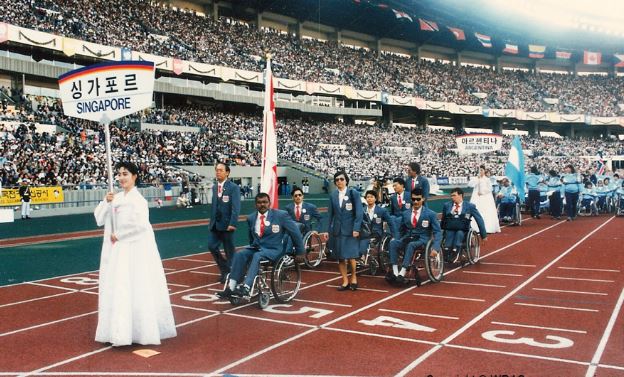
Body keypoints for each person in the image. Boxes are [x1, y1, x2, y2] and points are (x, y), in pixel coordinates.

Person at [93, 161, 176, 347]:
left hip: (133, 250)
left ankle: (139, 331)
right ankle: (118, 331)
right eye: (120, 174)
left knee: (135, 288)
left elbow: (141, 225)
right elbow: (99, 219)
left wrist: (119, 235)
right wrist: (106, 202)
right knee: (118, 289)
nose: (122, 178)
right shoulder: (115, 198)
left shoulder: (138, 200)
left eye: (126, 174)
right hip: (116, 250)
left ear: (134, 176)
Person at [218, 193, 305, 298]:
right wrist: (251, 249)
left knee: (257, 256)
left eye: (265, 202)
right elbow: (251, 237)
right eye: (259, 202)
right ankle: (231, 288)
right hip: (257, 248)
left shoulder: (281, 216)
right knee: (240, 254)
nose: (262, 205)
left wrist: (300, 251)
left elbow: (295, 232)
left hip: (274, 250)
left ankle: (246, 287)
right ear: (255, 204)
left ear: (269, 203)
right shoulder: (251, 218)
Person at [386, 188, 441, 285]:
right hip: (408, 238)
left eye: (418, 199)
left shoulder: (430, 214)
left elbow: (437, 232)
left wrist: (436, 248)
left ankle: (402, 273)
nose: (415, 201)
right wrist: (397, 238)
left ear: (423, 199)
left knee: (411, 245)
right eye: (413, 199)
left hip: (422, 240)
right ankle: (395, 272)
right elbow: (401, 230)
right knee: (393, 243)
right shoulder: (405, 213)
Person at [323, 171, 363, 291]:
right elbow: (330, 214)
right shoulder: (333, 195)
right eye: (337, 180)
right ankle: (345, 281)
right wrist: (326, 230)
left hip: (350, 230)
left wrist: (356, 228)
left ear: (346, 180)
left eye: (341, 179)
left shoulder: (353, 193)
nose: (339, 181)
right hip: (337, 230)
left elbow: (359, 212)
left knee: (351, 256)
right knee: (340, 257)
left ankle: (354, 277)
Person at [208, 163, 241, 283]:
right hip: (215, 225)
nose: (218, 172)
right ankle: (225, 269)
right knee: (211, 246)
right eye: (216, 170)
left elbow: (236, 207)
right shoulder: (214, 187)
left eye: (221, 170)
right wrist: (211, 222)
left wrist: (233, 223)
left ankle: (233, 275)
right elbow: (214, 206)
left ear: (227, 172)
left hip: (227, 225)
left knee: (229, 252)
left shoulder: (233, 187)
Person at [442, 187, 487, 263]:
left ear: (460, 195)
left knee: (459, 233)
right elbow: (444, 219)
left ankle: (455, 251)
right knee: (449, 234)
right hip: (451, 227)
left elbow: (479, 219)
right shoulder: (447, 205)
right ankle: (447, 250)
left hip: (463, 229)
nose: (452, 197)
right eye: (451, 196)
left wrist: (483, 235)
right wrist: (442, 230)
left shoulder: (470, 206)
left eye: (454, 195)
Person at [283, 187, 322, 253]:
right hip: (292, 232)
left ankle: (287, 253)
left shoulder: (310, 207)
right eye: (295, 196)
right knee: (287, 235)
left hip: (305, 232)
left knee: (293, 230)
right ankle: (283, 254)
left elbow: (321, 218)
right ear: (292, 197)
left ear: (303, 196)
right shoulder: (288, 208)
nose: (298, 197)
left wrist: (316, 230)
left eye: (300, 195)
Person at [359, 190, 392, 255]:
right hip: (365, 235)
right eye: (368, 197)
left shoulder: (382, 210)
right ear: (365, 199)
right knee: (361, 249)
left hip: (377, 234)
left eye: (371, 197)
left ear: (375, 199)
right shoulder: (362, 210)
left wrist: (393, 235)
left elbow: (390, 222)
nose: (369, 199)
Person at [470, 165, 500, 233]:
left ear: (484, 171)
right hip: (476, 197)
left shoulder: (487, 179)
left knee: (486, 211)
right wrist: (477, 179)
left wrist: (483, 192)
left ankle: (487, 227)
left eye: (482, 170)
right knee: (477, 210)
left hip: (485, 197)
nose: (480, 171)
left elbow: (490, 188)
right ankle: (475, 227)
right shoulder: (475, 178)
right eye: (479, 170)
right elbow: (470, 185)